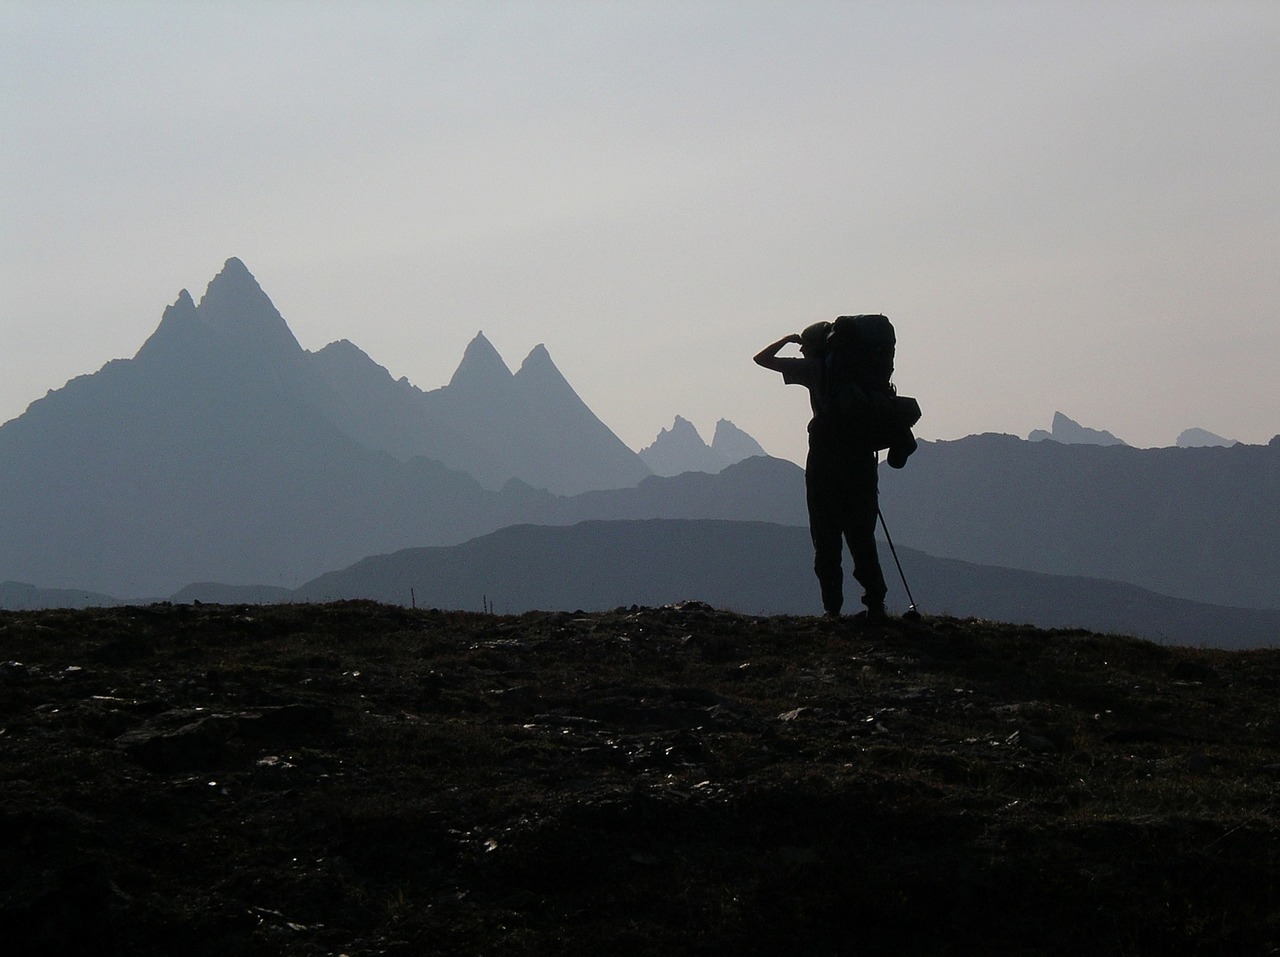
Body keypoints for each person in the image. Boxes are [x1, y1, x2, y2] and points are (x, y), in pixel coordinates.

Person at [754, 321, 900, 621]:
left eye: (806, 346)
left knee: (826, 537)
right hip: (860, 462)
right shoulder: (863, 374)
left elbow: (761, 360)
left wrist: (785, 338)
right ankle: (876, 604)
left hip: (825, 463)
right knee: (861, 537)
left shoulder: (814, 370)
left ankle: (832, 609)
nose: (804, 351)